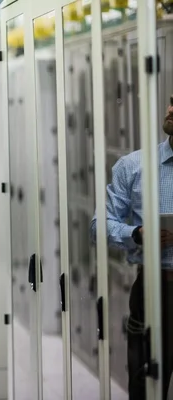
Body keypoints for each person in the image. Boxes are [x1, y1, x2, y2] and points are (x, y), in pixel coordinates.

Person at [91, 102, 173, 399]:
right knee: (145, 386)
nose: (171, 108)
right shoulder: (134, 166)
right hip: (154, 289)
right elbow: (99, 226)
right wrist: (136, 233)